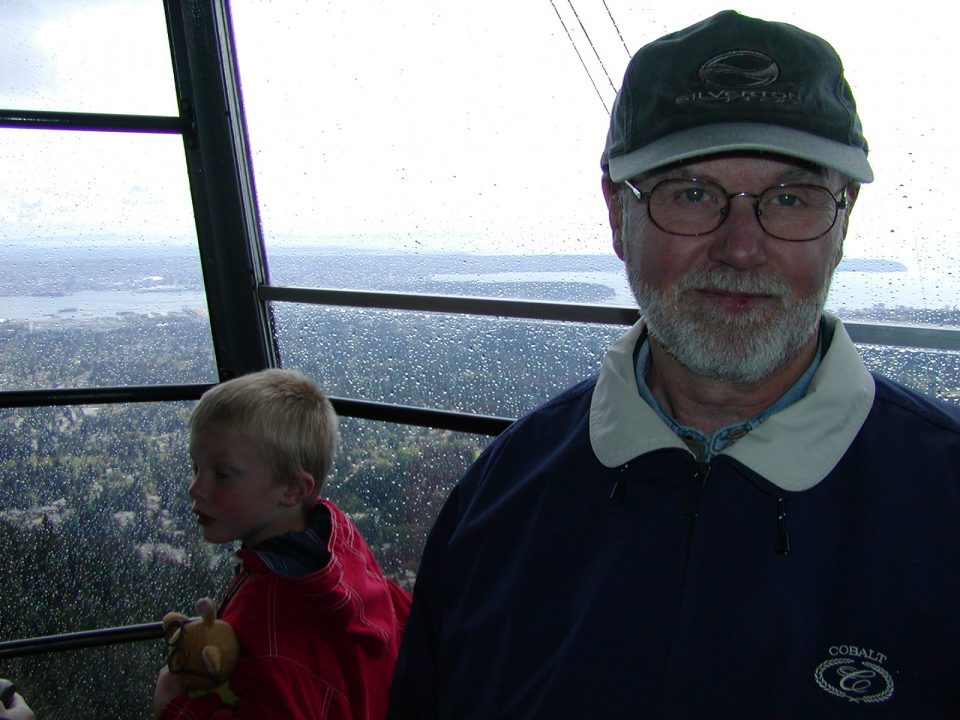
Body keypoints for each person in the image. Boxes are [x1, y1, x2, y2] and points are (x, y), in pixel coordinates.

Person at [387, 10, 960, 718]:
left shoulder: (944, 502)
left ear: (843, 221)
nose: (742, 248)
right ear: (616, 214)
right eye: (691, 194)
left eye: (789, 198)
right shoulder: (501, 504)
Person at [153, 369, 411, 719]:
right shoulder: (337, 541)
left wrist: (173, 704)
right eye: (195, 467)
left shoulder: (268, 618)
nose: (195, 488)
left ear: (293, 490)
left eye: (222, 474)